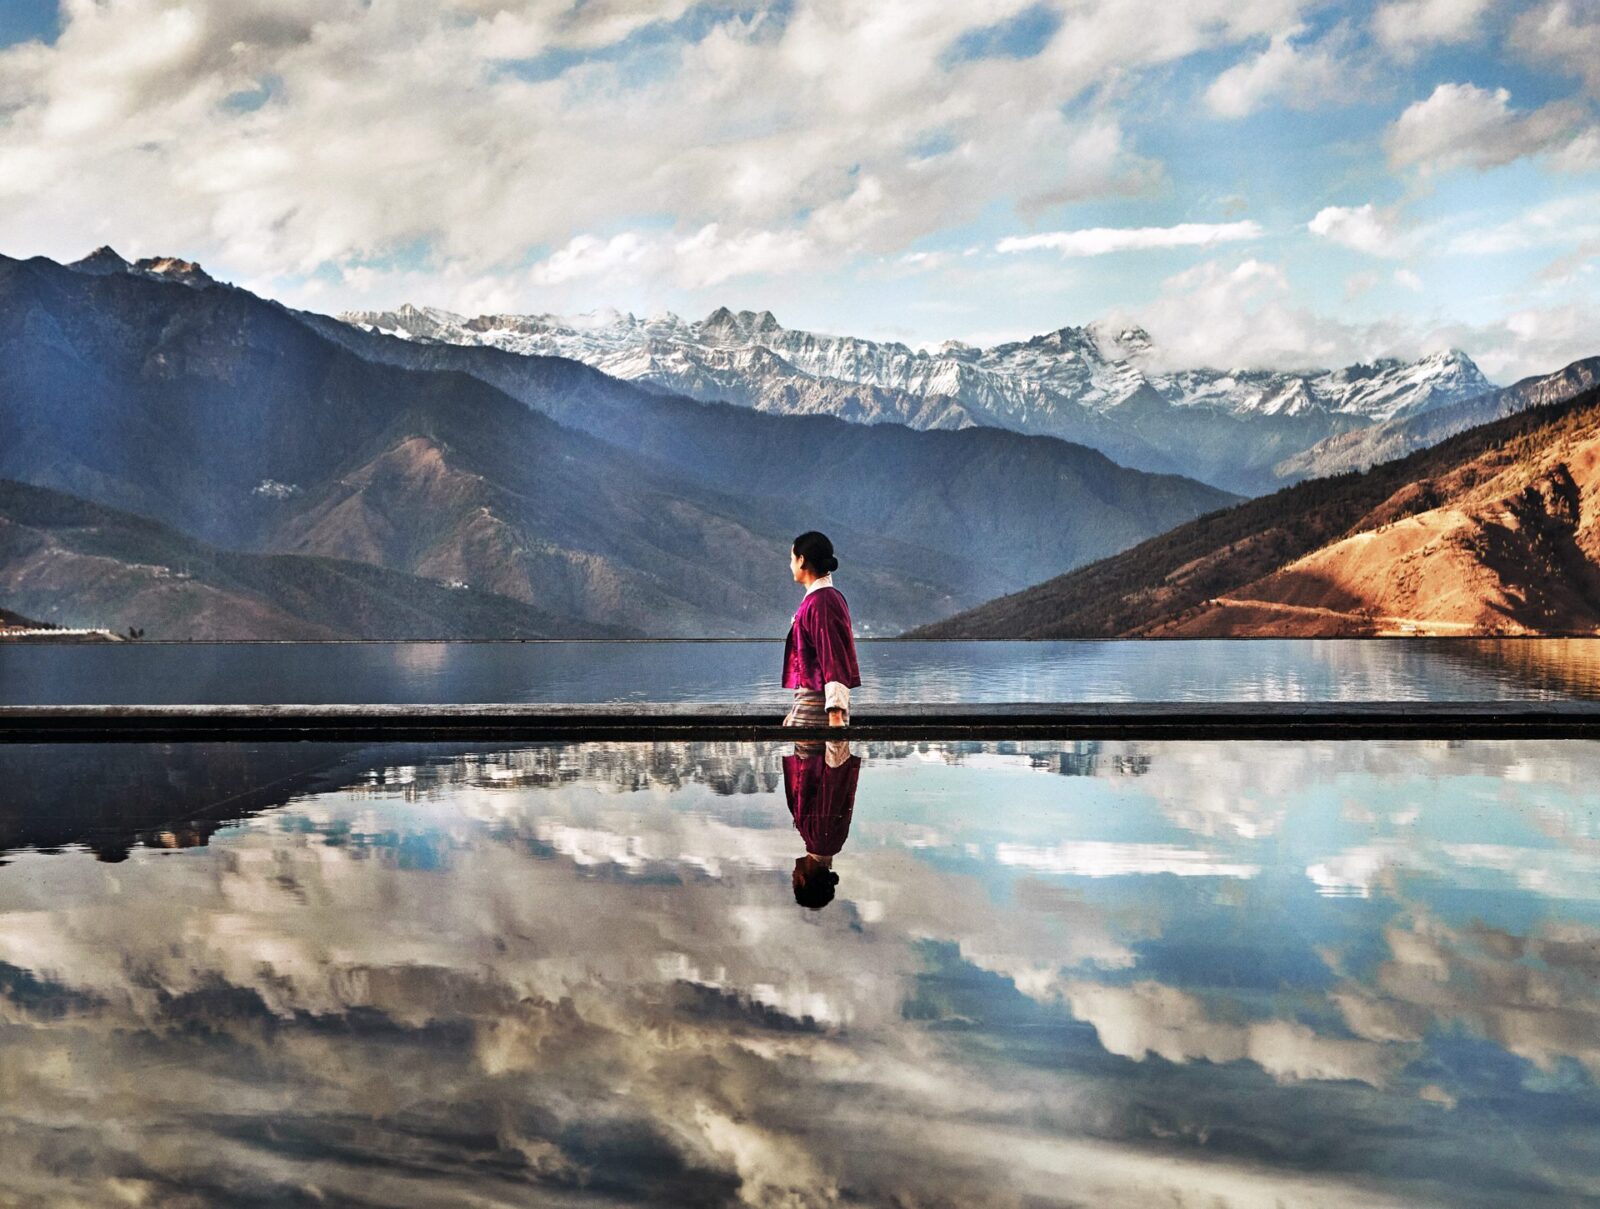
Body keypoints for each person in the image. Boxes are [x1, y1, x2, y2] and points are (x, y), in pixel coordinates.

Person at [780, 531, 861, 729]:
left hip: (820, 711)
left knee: (815, 759)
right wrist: (795, 711)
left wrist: (835, 714)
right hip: (810, 705)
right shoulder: (818, 599)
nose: (790, 564)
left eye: (792, 558)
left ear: (801, 560)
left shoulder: (822, 602)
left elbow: (833, 655)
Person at [784, 739, 861, 909]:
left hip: (815, 745)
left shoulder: (829, 844)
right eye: (793, 879)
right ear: (802, 880)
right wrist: (836, 739)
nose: (792, 874)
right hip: (815, 743)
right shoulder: (821, 840)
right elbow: (832, 788)